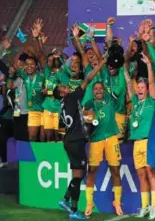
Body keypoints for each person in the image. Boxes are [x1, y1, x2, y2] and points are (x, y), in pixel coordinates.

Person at [55, 56, 106, 220]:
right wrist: (100, 66)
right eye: (64, 87)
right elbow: (88, 79)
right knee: (79, 174)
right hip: (76, 141)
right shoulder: (72, 97)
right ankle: (74, 210)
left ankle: (65, 200)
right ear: (62, 92)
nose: (66, 86)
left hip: (69, 141)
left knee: (77, 173)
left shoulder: (62, 105)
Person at [124, 51, 155, 220]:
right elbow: (128, 83)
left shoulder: (152, 102)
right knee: (140, 175)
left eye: (142, 88)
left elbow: (152, 83)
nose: (139, 89)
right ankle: (145, 206)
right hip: (136, 143)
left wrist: (148, 65)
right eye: (138, 87)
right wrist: (124, 68)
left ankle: (154, 206)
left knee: (150, 172)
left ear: (147, 90)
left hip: (148, 142)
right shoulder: (135, 104)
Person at [83, 82, 123, 217]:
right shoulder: (89, 103)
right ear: (93, 91)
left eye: (100, 88)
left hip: (111, 137)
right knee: (92, 171)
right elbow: (85, 120)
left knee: (115, 170)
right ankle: (89, 203)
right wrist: (88, 119)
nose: (98, 91)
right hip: (96, 140)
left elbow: (121, 85)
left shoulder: (110, 99)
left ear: (104, 90)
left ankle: (117, 202)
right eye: (96, 89)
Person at [8, 56, 44, 141]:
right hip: (31, 112)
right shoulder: (24, 76)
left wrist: (47, 92)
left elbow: (51, 90)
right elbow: (13, 65)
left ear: (36, 66)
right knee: (31, 138)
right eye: (27, 64)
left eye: (32, 64)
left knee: (43, 138)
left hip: (43, 111)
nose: (29, 66)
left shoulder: (42, 77)